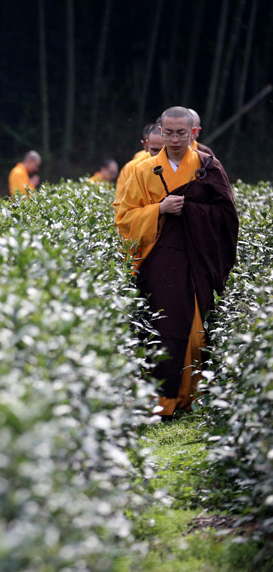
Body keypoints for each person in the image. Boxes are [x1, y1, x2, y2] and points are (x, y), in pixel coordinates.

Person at [115, 106, 238, 419]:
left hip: (197, 257)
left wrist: (193, 211)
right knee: (163, 327)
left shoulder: (208, 167)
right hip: (160, 258)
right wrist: (159, 209)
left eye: (180, 133)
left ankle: (191, 395)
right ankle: (163, 400)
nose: (173, 139)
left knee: (196, 329)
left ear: (193, 133)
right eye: (167, 132)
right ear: (159, 131)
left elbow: (227, 217)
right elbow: (125, 219)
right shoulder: (143, 170)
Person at [115, 124, 164, 203]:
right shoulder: (134, 168)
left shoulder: (181, 165)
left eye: (164, 150)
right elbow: (121, 205)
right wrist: (159, 209)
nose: (159, 155)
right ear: (146, 145)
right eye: (155, 150)